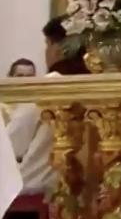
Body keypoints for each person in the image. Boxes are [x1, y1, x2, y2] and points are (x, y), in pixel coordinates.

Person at [6, 16, 88, 195]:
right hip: (83, 189)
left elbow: (12, 141)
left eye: (47, 45)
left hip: (35, 187)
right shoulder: (96, 85)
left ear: (58, 49)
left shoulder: (48, 86)